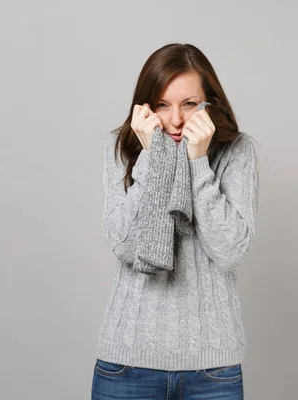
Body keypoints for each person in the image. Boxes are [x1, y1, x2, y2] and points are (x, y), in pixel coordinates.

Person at [92, 43, 259, 399]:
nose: (176, 120)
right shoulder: (122, 148)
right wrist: (152, 158)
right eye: (163, 105)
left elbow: (229, 251)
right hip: (128, 364)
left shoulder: (236, 151)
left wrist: (198, 164)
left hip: (212, 369)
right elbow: (125, 245)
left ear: (209, 103)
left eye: (189, 104)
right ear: (146, 107)